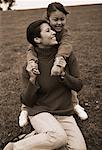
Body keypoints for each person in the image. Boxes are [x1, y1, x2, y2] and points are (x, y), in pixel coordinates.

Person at [4, 20, 87, 150]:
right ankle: (14, 147)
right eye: (48, 31)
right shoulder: (30, 66)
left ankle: (32, 137)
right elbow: (27, 101)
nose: (54, 32)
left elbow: (78, 86)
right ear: (37, 39)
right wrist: (32, 80)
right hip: (40, 111)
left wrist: (63, 75)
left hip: (64, 113)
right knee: (59, 137)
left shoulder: (66, 57)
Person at [19, 2, 88, 128]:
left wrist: (59, 59)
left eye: (62, 19)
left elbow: (66, 46)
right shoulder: (41, 30)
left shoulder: (64, 33)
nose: (59, 23)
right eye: (55, 20)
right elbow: (31, 50)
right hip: (41, 55)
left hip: (58, 56)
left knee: (67, 82)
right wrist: (32, 62)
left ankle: (74, 105)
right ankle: (25, 109)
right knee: (32, 81)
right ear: (48, 19)